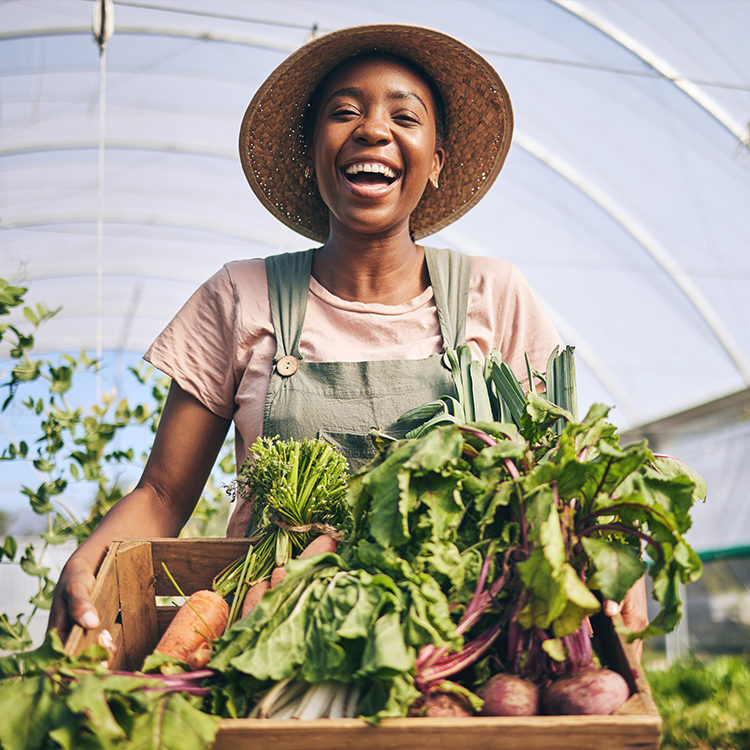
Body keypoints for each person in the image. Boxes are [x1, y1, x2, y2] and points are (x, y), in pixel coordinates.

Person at [48, 23, 648, 653]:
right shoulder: (239, 295)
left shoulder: (494, 296)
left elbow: (556, 476)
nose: (373, 130)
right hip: (267, 633)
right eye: (344, 112)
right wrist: (89, 560)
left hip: (450, 640)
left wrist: (608, 547)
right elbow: (164, 492)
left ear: (437, 162)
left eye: (405, 116)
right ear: (312, 154)